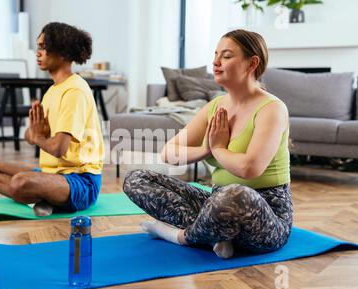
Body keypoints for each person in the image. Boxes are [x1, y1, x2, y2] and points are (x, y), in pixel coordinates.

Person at [123, 29, 292, 259]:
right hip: (217, 204)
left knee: (235, 195)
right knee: (137, 180)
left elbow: (250, 168)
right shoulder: (215, 107)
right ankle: (218, 234)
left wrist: (219, 149)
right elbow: (169, 154)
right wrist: (206, 149)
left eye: (226, 56)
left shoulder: (272, 109)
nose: (215, 62)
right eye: (215, 54)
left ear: (252, 63)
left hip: (265, 214)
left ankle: (179, 236)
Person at [0, 22, 104, 216]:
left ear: (62, 53)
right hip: (51, 174)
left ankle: (43, 195)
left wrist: (38, 138)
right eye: (38, 47)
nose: (38, 53)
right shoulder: (52, 91)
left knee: (20, 182)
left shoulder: (75, 91)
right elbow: (32, 135)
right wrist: (35, 134)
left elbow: (57, 148)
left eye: (44, 48)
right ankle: (45, 197)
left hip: (81, 181)